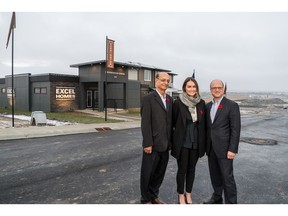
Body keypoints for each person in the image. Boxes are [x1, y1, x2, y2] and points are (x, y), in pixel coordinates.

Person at [204, 79, 241, 204]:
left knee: (227, 178)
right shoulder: (207, 106)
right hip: (211, 148)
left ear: (224, 89)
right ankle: (217, 197)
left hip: (225, 150)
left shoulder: (232, 105)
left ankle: (231, 203)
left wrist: (232, 149)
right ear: (210, 90)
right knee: (214, 176)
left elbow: (235, 129)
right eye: (214, 88)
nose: (217, 89)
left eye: (219, 87)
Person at [171, 77, 206, 204]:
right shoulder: (178, 103)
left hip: (196, 143)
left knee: (192, 169)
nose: (192, 89)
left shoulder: (201, 103)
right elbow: (173, 123)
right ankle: (181, 194)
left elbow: (204, 125)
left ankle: (188, 193)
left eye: (194, 86)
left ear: (197, 88)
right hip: (183, 143)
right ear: (184, 88)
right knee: (182, 170)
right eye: (189, 86)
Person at [140, 72, 173, 204]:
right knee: (147, 173)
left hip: (165, 144)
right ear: (156, 80)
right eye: (163, 80)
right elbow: (145, 123)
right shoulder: (148, 98)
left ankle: (154, 196)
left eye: (168, 80)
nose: (165, 82)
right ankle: (145, 198)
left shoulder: (170, 100)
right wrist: (147, 143)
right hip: (152, 144)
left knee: (160, 173)